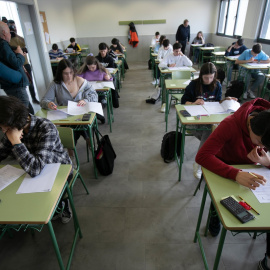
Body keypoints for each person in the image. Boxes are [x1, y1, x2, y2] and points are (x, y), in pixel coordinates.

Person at [195, 98, 270, 269]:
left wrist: (267, 162)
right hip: (225, 169)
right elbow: (202, 156)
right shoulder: (230, 125)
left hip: (252, 173)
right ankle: (214, 215)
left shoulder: (267, 126)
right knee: (223, 204)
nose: (259, 146)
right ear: (250, 126)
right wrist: (235, 174)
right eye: (258, 142)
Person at [0, 95, 73, 223]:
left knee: (48, 198)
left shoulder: (46, 127)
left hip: (58, 167)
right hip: (33, 170)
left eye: (3, 125)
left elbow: (35, 169)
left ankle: (64, 203)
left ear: (11, 122)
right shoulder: (12, 129)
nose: (2, 129)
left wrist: (16, 142)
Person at [181, 62, 236, 179]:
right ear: (201, 75)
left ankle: (199, 161)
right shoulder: (193, 85)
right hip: (193, 120)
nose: (209, 80)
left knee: (211, 130)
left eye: (211, 77)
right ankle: (200, 162)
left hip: (209, 118)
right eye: (206, 77)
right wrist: (193, 103)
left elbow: (217, 102)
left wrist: (226, 100)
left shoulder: (217, 85)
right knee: (212, 134)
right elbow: (183, 102)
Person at [40, 59, 99, 144]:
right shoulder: (55, 84)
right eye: (65, 73)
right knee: (71, 131)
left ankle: (85, 144)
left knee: (81, 127)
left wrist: (85, 100)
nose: (69, 76)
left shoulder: (80, 80)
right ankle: (76, 147)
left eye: (71, 72)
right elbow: (43, 101)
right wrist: (48, 104)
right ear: (60, 73)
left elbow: (94, 95)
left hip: (82, 114)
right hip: (66, 117)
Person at [0, 21, 34, 115]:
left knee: (26, 110)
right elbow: (17, 63)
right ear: (4, 33)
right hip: (16, 86)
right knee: (23, 113)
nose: (10, 34)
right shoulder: (3, 45)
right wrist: (19, 54)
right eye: (8, 31)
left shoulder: (4, 45)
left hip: (10, 84)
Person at [8, 20, 40, 105]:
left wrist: (16, 34)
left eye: (14, 26)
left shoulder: (18, 38)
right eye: (11, 27)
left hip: (25, 63)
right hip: (17, 66)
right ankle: (26, 102)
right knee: (22, 86)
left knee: (30, 83)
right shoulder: (7, 42)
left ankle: (33, 98)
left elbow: (27, 44)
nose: (12, 28)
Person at [158, 42, 193, 112]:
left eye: (179, 51)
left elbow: (190, 64)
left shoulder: (182, 56)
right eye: (176, 51)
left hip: (180, 76)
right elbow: (160, 65)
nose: (178, 53)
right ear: (173, 50)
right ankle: (164, 103)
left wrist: (183, 55)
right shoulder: (169, 56)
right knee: (165, 83)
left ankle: (182, 100)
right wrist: (168, 65)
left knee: (189, 84)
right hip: (170, 75)